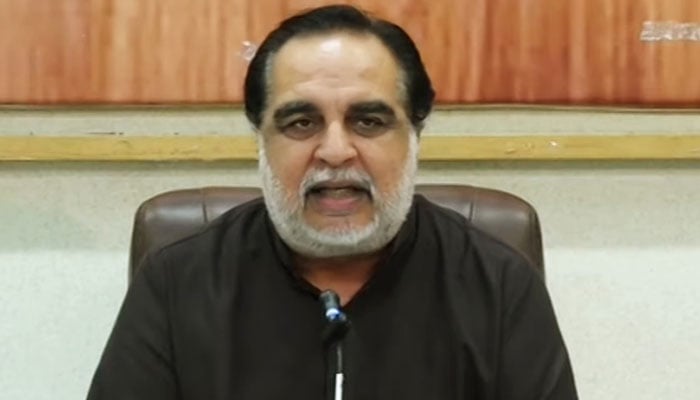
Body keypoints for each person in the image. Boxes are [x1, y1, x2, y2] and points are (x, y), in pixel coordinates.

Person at [87, 4, 578, 400]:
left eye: (369, 121)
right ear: (260, 138)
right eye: (302, 123)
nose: (336, 151)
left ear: (415, 135)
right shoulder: (177, 283)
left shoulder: (499, 285)